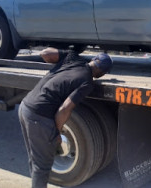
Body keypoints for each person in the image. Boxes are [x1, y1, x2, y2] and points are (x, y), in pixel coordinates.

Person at [18, 48, 113, 188]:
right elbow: (65, 108)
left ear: (93, 60)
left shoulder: (73, 57)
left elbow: (45, 54)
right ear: (101, 73)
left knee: (35, 158)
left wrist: (63, 51)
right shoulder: (87, 82)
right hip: (39, 116)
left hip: (25, 106)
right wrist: (56, 131)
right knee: (42, 166)